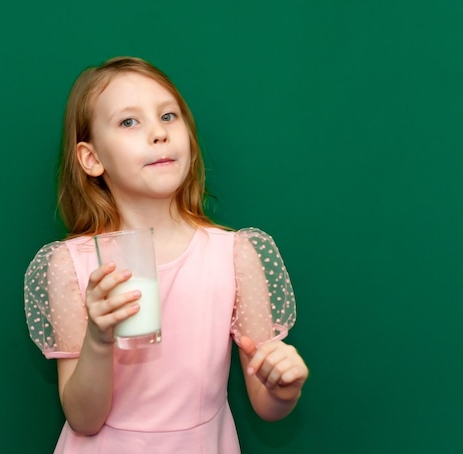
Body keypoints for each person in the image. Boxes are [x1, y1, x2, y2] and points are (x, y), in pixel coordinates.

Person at [24, 56, 309, 453]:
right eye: (129, 122)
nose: (158, 133)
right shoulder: (72, 266)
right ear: (91, 159)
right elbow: (84, 420)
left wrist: (284, 388)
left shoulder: (235, 255)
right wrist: (100, 339)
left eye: (169, 116)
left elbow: (266, 404)